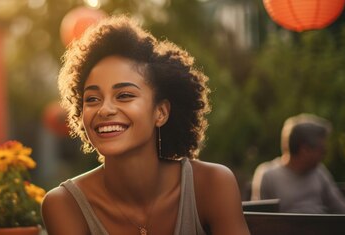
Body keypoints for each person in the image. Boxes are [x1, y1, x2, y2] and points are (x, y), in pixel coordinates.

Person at [41, 16, 249, 235]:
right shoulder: (64, 205)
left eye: (124, 95)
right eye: (92, 99)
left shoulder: (212, 185)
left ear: (160, 112)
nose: (104, 109)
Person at [250, 113, 345, 214]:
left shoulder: (319, 172)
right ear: (304, 150)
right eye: (322, 150)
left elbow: (341, 206)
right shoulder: (268, 175)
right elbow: (260, 219)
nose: (325, 154)